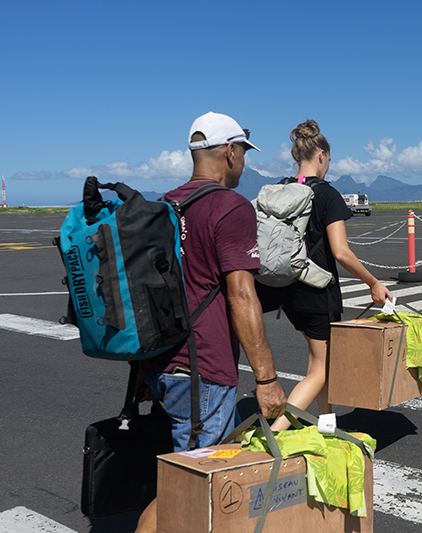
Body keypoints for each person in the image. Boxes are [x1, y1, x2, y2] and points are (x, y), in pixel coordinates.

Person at [135, 112, 287, 533]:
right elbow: (241, 295)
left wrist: (139, 375)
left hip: (160, 362)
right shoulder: (230, 207)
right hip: (203, 369)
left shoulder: (165, 204)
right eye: (243, 155)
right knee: (189, 493)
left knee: (182, 484)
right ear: (230, 151)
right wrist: (267, 377)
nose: (244, 164)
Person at [270, 120, 393, 431]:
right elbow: (341, 252)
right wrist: (373, 282)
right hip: (318, 292)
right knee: (321, 370)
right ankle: (273, 435)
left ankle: (326, 424)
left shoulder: (285, 188)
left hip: (288, 289)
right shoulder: (326, 195)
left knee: (318, 362)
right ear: (322, 155)